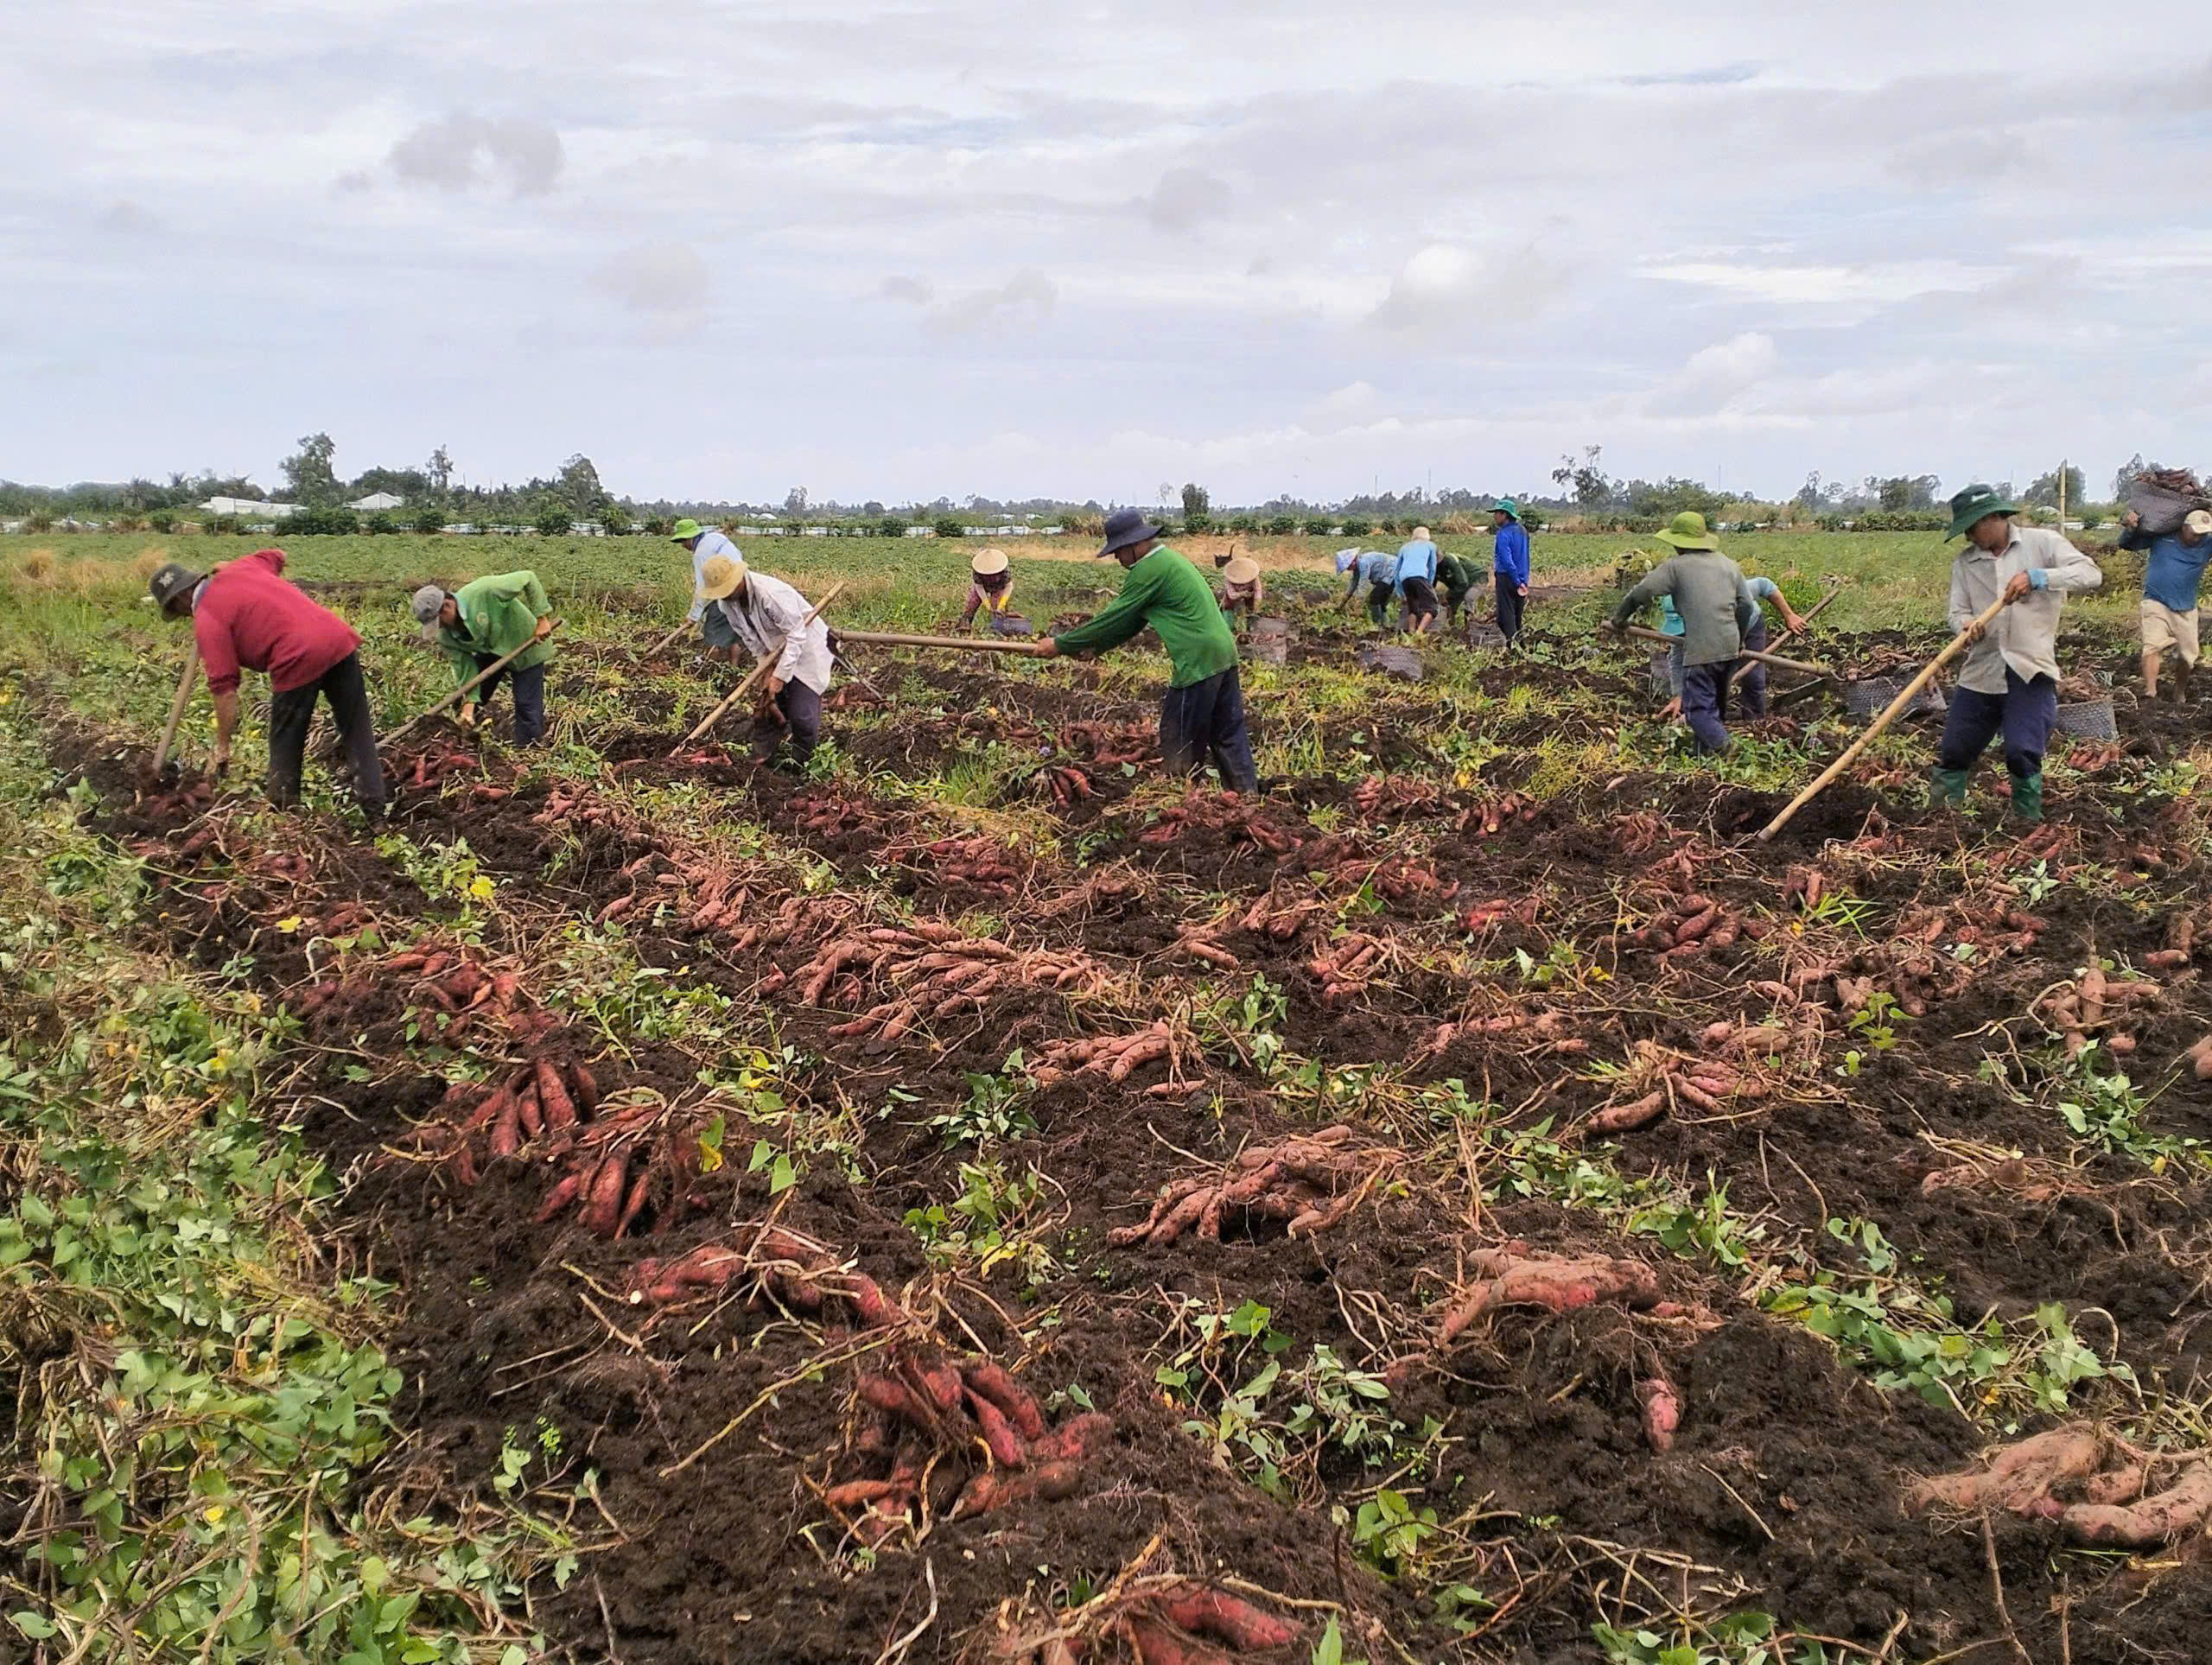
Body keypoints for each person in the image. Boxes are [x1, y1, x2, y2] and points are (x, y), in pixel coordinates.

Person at [148, 552, 387, 815]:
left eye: (177, 612)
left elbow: (224, 689)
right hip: (338, 641)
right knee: (357, 731)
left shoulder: (207, 619)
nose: (184, 617)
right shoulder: (242, 568)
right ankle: (376, 816)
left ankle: (284, 817)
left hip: (296, 656)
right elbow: (278, 555)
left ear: (180, 601)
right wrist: (231, 565)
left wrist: (224, 746)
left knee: (285, 740)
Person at [1037, 508, 1256, 792]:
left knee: (1178, 732)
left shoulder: (1149, 569)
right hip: (1223, 652)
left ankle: (1181, 797)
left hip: (1198, 660)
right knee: (1228, 734)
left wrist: (1059, 644)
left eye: (1118, 551)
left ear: (1135, 545)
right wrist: (1098, 647)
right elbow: (1133, 621)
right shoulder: (1169, 560)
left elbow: (1114, 616)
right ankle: (1247, 797)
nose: (1117, 558)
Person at [1931, 485, 2104, 823]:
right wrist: (1965, 626)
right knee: (1954, 750)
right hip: (1983, 670)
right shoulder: (1966, 563)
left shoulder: (2042, 543)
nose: (1968, 536)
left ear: (1994, 518)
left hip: (2029, 667)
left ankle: (2026, 825)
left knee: (2022, 751)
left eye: (1972, 527)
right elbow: (1956, 612)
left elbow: (2091, 575)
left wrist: (2039, 577)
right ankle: (1940, 823)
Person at [1606, 512, 1756, 755]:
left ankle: (1726, 748)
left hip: (1702, 650)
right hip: (1729, 647)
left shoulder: (1676, 567)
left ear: (1678, 543)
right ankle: (1704, 759)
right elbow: (1746, 606)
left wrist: (1620, 619)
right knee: (1713, 708)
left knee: (1696, 711)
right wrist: (1740, 638)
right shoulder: (1729, 564)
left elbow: (1641, 592)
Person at [694, 552, 835, 768]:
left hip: (807, 651)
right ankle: (761, 764)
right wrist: (766, 668)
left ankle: (802, 766)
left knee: (802, 717)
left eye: (728, 589)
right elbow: (749, 638)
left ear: (739, 579)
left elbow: (797, 636)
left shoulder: (771, 594)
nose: (726, 595)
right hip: (774, 651)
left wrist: (779, 676)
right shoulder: (726, 604)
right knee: (767, 710)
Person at [410, 571, 556, 746]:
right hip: (491, 652)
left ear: (447, 605)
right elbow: (465, 668)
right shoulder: (446, 636)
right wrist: (470, 703)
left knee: (526, 706)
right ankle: (467, 743)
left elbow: (528, 578)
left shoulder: (485, 591)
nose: (439, 628)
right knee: (463, 704)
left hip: (526, 645)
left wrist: (542, 619)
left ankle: (530, 750)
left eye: (438, 622)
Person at [2118, 506, 2211, 701]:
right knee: (2152, 646)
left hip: (2186, 606)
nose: (2197, 538)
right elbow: (2126, 544)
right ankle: (2151, 693)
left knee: (2188, 658)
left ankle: (2180, 692)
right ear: (2184, 527)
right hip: (2156, 601)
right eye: (2194, 533)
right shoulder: (2162, 537)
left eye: (2202, 534)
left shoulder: (2207, 544)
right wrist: (2131, 528)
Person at [1733, 573, 1809, 717]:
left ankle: (1755, 723)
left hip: (1750, 626)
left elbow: (1765, 585)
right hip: (1717, 636)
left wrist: (1789, 615)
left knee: (1753, 679)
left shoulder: (1732, 592)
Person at [1491, 500, 1532, 647]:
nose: (1494, 517)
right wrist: (1523, 581)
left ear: (1504, 515)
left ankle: (1514, 649)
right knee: (1516, 616)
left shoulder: (1503, 534)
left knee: (1505, 617)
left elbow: (1506, 560)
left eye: (1496, 513)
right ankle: (1521, 646)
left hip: (1507, 577)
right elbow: (1526, 556)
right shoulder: (1523, 531)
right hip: (1522, 578)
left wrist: (1515, 580)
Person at [1335, 548, 1397, 630]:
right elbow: (1353, 585)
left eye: (1348, 566)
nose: (1348, 569)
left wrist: (1357, 609)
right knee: (1381, 601)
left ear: (1353, 561)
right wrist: (1341, 604)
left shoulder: (1363, 563)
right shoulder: (1357, 568)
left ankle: (1377, 624)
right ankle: (1385, 625)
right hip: (1387, 575)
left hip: (1391, 572)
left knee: (1375, 598)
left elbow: (1363, 586)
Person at [1393, 526, 1440, 634]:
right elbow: (1432, 568)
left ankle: (1411, 632)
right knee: (1433, 608)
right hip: (1420, 576)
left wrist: (1400, 592)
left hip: (1405, 578)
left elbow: (1396, 571)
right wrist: (1430, 585)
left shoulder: (1404, 547)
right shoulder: (1430, 545)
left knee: (1413, 606)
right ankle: (1419, 633)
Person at [960, 550, 1019, 631]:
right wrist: (986, 602)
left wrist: (1002, 603)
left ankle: (999, 628)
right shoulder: (977, 571)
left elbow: (1008, 586)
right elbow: (979, 587)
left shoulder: (1004, 571)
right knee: (972, 602)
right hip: (982, 586)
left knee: (998, 608)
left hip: (998, 587)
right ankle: (965, 623)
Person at [1436, 547, 1479, 632]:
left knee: (1469, 598)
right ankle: (1451, 629)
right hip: (1461, 583)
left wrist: (1446, 595)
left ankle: (1469, 630)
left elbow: (1463, 583)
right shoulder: (1435, 567)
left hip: (1476, 579)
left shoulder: (1451, 561)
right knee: (1449, 603)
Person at [1217, 556, 1265, 632]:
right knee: (1229, 622)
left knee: (1251, 614)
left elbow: (1258, 590)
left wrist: (1257, 605)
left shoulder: (1253, 578)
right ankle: (1229, 629)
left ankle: (1249, 627)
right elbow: (1231, 594)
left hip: (1249, 598)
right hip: (1232, 600)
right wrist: (1241, 594)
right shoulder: (1229, 579)